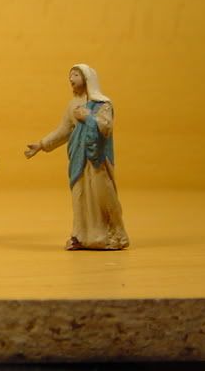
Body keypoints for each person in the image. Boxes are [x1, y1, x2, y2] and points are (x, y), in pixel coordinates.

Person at [24, 64, 130, 250]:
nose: (70, 79)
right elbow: (64, 131)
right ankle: (79, 235)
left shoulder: (103, 104)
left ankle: (115, 234)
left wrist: (88, 117)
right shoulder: (72, 105)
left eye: (75, 75)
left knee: (103, 196)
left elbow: (106, 127)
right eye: (70, 75)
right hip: (78, 159)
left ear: (87, 78)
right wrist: (41, 145)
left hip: (97, 159)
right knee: (79, 196)